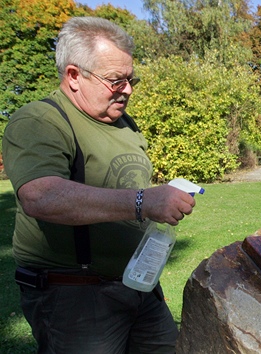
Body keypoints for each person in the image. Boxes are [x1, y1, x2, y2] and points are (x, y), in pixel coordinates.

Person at [2, 17, 195, 353]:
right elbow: (40, 195)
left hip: (139, 286)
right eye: (115, 80)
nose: (129, 89)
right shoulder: (40, 120)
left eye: (131, 78)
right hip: (75, 299)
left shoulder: (124, 124)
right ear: (74, 76)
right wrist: (142, 202)